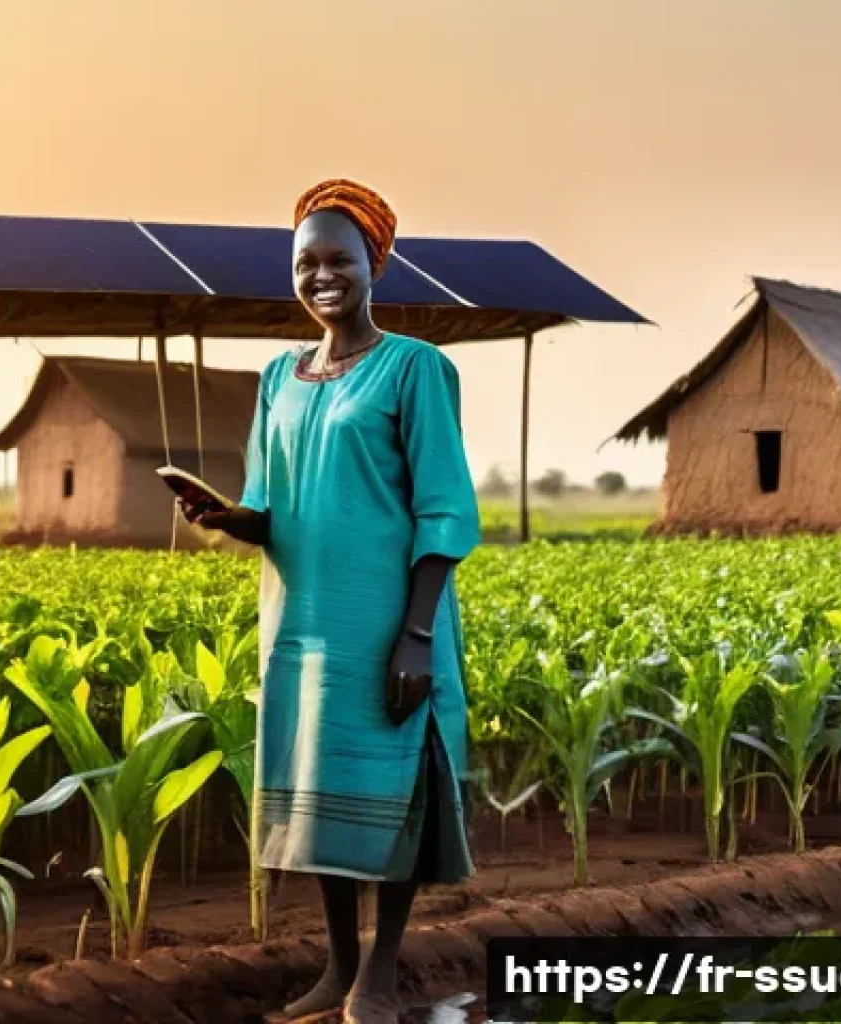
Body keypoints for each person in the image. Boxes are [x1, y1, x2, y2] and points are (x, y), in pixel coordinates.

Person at [192, 179, 480, 1024]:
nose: (322, 275)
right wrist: (229, 516)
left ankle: (379, 981)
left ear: (374, 265)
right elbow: (270, 504)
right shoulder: (279, 377)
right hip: (301, 622)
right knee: (320, 795)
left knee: (391, 798)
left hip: (387, 621)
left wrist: (417, 634)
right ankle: (336, 970)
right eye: (305, 262)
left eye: (339, 259)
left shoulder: (416, 368)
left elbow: (444, 508)